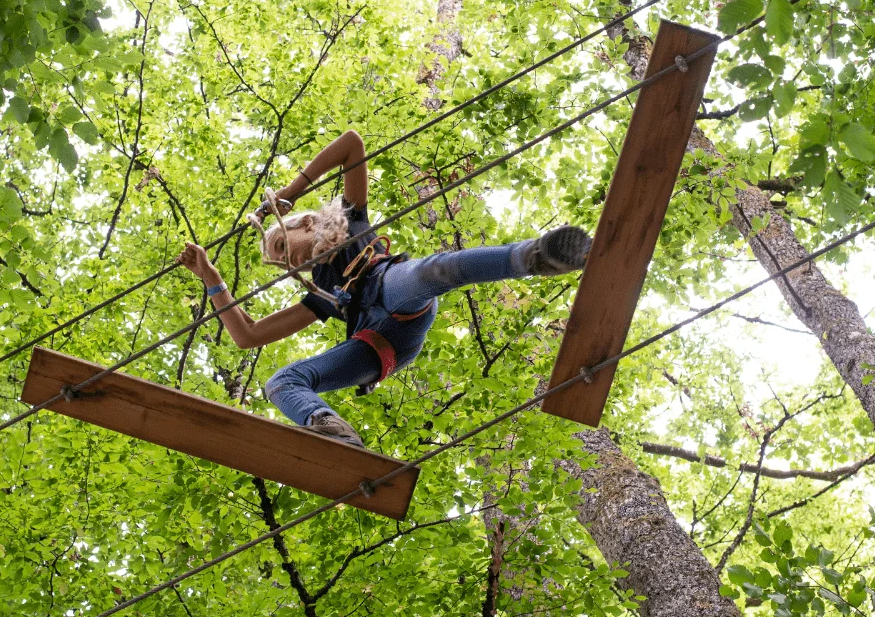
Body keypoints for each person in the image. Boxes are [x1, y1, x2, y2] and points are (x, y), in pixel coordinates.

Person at [176, 130, 591, 448]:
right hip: (375, 345)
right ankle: (328, 427)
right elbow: (248, 335)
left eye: (283, 247)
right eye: (281, 263)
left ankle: (537, 256)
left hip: (395, 291)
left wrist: (289, 193)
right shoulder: (320, 295)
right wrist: (211, 278)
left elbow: (351, 145)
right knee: (281, 382)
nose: (288, 263)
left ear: (305, 224)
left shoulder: (351, 221)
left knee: (434, 271)